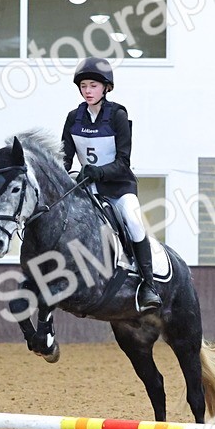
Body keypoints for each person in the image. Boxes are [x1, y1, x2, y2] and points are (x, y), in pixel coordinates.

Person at [60, 57, 161, 311]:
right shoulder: (73, 118)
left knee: (134, 222)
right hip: (87, 189)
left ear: (106, 87)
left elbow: (123, 162)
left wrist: (98, 172)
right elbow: (64, 158)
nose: (88, 91)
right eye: (83, 86)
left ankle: (148, 286)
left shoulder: (117, 115)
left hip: (118, 188)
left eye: (93, 86)